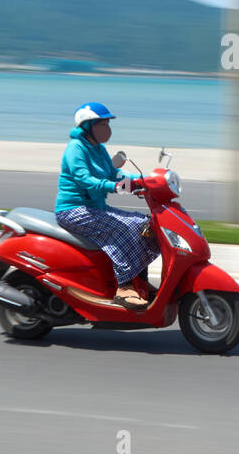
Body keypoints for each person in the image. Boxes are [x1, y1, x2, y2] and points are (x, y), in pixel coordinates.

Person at [54, 102, 160, 309]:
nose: (107, 129)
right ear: (87, 126)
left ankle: (140, 282)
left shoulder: (99, 148)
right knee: (123, 228)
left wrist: (144, 180)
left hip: (94, 208)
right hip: (73, 210)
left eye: (108, 124)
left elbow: (115, 174)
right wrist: (115, 187)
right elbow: (84, 179)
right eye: (102, 124)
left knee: (144, 225)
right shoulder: (75, 149)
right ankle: (124, 286)